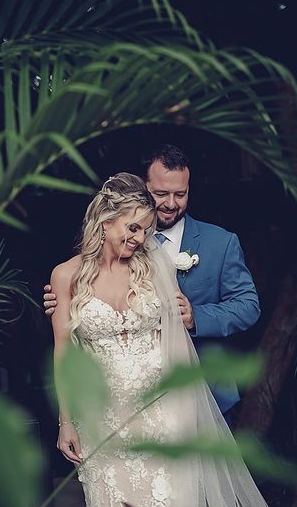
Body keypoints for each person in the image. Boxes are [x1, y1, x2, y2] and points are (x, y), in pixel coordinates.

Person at [49, 172, 266, 506]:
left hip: (161, 412)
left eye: (146, 231)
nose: (140, 238)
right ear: (106, 221)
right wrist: (66, 422)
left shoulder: (152, 267)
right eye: (133, 227)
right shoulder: (66, 276)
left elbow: (174, 340)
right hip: (101, 418)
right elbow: (63, 355)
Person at [46, 144, 261, 418]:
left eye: (180, 194)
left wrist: (197, 317)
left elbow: (248, 306)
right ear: (144, 189)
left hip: (208, 389)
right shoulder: (123, 243)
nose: (171, 204)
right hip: (123, 401)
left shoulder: (221, 243)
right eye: (161, 194)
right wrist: (64, 299)